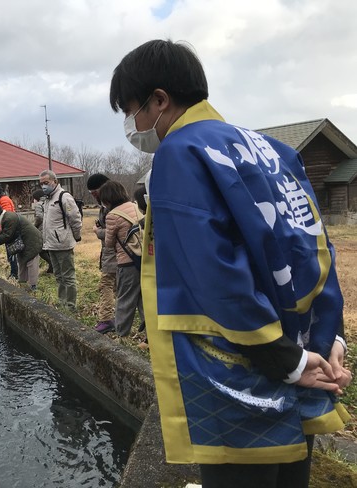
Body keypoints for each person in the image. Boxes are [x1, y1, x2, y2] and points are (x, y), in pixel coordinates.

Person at [110, 39, 351, 487]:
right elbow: (313, 244)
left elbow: (213, 271)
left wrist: (281, 358)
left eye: (131, 110)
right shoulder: (274, 151)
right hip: (303, 349)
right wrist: (327, 336)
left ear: (159, 100)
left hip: (241, 369)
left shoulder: (180, 153)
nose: (132, 124)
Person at [99, 180, 144, 337]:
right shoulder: (135, 206)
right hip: (144, 261)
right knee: (143, 299)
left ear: (108, 199)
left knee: (125, 300)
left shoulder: (112, 215)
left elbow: (109, 243)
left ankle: (121, 335)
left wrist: (100, 231)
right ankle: (150, 336)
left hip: (127, 263)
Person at [38, 170, 82, 310]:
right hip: (51, 244)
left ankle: (70, 305)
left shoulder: (64, 196)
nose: (44, 186)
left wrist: (76, 235)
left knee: (68, 276)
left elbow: (75, 218)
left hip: (63, 243)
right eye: (41, 184)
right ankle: (62, 302)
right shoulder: (48, 199)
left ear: (54, 181)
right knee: (58, 275)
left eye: (46, 182)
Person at [0, 203, 42, 290]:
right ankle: (23, 284)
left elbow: (7, 236)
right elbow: (6, 232)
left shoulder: (9, 218)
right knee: (22, 260)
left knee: (31, 262)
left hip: (32, 240)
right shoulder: (4, 217)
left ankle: (33, 286)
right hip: (23, 239)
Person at [86, 174, 118, 334]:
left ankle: (107, 319)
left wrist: (98, 231)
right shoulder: (108, 205)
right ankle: (120, 319)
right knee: (119, 288)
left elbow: (114, 232)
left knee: (106, 284)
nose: (95, 197)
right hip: (111, 253)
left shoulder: (112, 206)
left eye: (95, 193)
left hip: (114, 254)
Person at [32, 189, 53, 274]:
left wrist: (34, 226)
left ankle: (52, 265)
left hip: (42, 229)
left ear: (36, 198)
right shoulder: (49, 202)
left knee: (41, 250)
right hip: (52, 228)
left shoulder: (38, 205)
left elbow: (39, 217)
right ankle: (52, 267)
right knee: (49, 249)